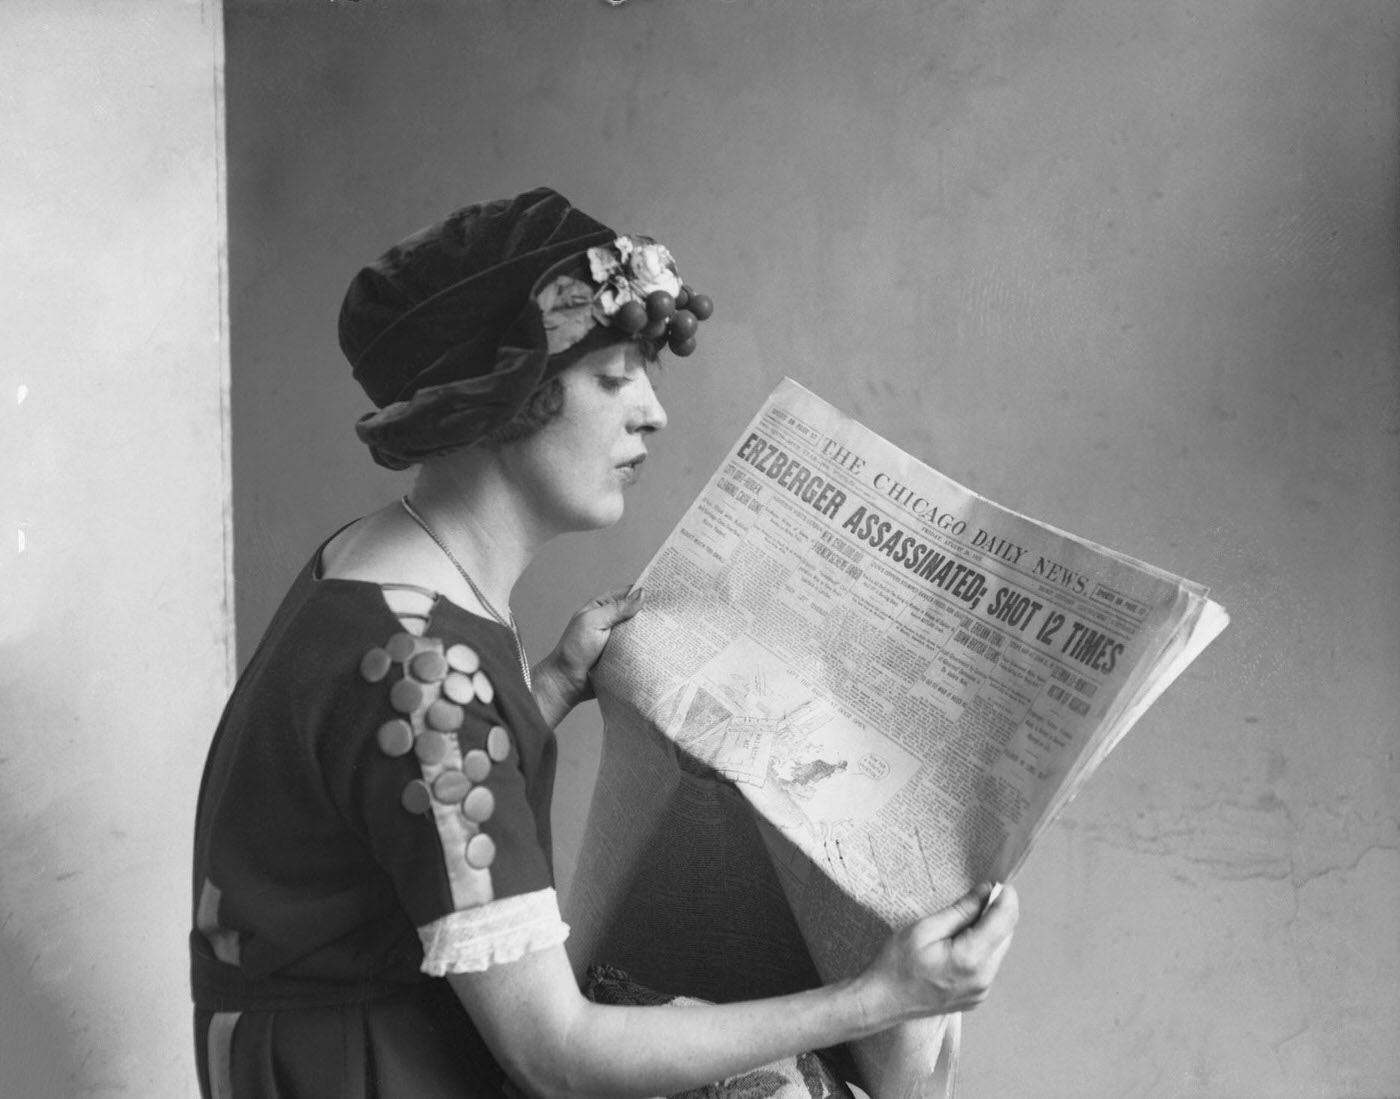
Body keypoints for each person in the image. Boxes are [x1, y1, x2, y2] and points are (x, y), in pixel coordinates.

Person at [189, 187, 1018, 1099]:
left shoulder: (385, 567)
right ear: (501, 397)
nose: (654, 414)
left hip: (356, 1039)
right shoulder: (426, 671)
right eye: (615, 377)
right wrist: (876, 998)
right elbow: (556, 1057)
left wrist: (544, 689)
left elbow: (397, 818)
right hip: (372, 1072)